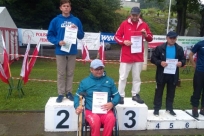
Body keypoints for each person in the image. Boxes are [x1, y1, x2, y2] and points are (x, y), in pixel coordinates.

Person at [47, 0, 84, 103]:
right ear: (61, 8)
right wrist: (57, 42)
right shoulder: (55, 20)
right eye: (64, 6)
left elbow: (81, 35)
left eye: (68, 6)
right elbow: (50, 35)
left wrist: (77, 29)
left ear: (70, 8)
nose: (66, 8)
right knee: (61, 73)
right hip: (60, 50)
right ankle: (60, 93)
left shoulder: (76, 20)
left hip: (72, 50)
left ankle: (69, 92)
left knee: (70, 73)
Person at [114, 6, 153, 104]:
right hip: (126, 55)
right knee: (123, 77)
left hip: (138, 56)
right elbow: (116, 36)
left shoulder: (144, 24)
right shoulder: (124, 23)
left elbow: (150, 38)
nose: (134, 17)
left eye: (136, 15)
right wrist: (124, 42)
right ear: (130, 14)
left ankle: (135, 94)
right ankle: (121, 95)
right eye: (133, 15)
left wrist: (145, 35)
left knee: (137, 77)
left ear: (139, 14)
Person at [74, 59, 120, 136]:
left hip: (105, 110)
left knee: (111, 119)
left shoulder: (109, 81)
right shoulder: (85, 82)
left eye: (101, 69)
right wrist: (77, 106)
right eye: (96, 69)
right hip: (90, 111)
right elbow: (77, 96)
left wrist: (112, 103)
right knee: (95, 121)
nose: (99, 71)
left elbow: (117, 96)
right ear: (91, 69)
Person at [150, 31, 186, 117]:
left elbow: (183, 59)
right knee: (159, 92)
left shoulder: (179, 48)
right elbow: (153, 58)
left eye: (174, 38)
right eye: (171, 38)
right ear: (167, 38)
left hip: (173, 74)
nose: (173, 40)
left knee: (171, 92)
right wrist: (160, 62)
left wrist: (181, 63)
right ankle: (156, 109)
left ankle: (169, 108)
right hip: (161, 74)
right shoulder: (160, 48)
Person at [189, 40, 204, 117]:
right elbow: (190, 54)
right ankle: (195, 108)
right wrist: (194, 65)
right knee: (197, 90)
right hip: (200, 71)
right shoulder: (200, 44)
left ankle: (202, 109)